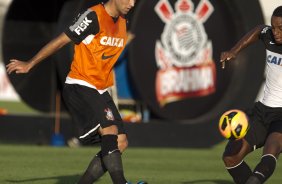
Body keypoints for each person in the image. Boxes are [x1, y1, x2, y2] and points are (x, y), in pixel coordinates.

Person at [6, 0, 136, 183]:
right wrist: (30, 63)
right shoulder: (92, 16)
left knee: (121, 142)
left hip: (100, 88)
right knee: (110, 130)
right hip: (80, 84)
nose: (131, 3)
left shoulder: (124, 20)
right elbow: (61, 40)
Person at [220, 6, 282, 184]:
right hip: (263, 110)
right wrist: (234, 51)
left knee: (270, 152)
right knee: (230, 157)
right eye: (274, 27)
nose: (276, 33)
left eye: (281, 28)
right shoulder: (269, 35)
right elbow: (258, 30)